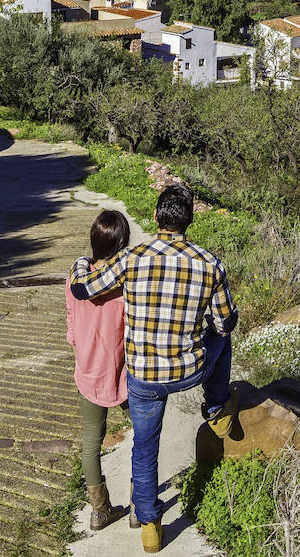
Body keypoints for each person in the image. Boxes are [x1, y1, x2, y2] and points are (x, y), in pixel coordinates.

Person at [70, 185, 237, 554]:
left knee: (144, 448)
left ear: (158, 218)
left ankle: (149, 526)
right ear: (189, 221)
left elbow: (85, 290)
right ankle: (215, 408)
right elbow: (226, 324)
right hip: (189, 370)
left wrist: (81, 262)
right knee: (222, 340)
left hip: (144, 375)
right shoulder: (211, 263)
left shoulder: (132, 258)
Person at [65, 209, 132, 530]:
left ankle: (100, 511)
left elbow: (70, 319)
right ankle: (141, 505)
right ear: (122, 244)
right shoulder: (123, 286)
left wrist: (78, 345)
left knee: (91, 441)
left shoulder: (76, 277)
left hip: (88, 370)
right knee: (144, 436)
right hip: (123, 373)